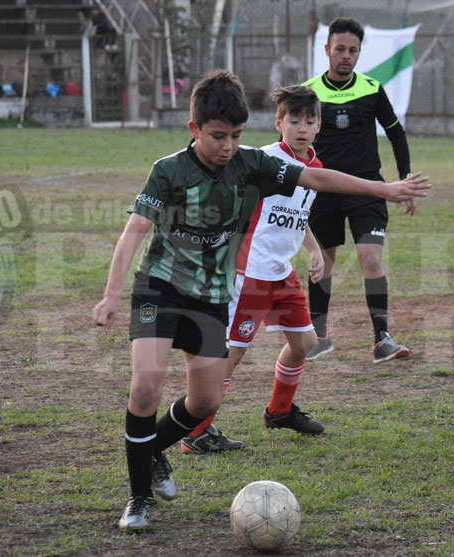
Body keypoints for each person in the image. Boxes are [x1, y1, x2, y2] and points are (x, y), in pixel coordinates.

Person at [91, 69, 428, 531]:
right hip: (160, 288)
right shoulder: (168, 170)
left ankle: (150, 450)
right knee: (146, 387)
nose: (227, 145)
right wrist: (112, 294)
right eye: (217, 136)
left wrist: (384, 189)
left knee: (204, 402)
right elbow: (134, 231)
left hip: (211, 296)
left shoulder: (251, 164)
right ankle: (138, 497)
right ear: (194, 130)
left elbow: (317, 178)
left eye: (235, 135)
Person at [179, 84, 332, 454]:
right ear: (279, 122)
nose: (301, 128)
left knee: (305, 343)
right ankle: (197, 430)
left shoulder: (315, 166)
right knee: (230, 353)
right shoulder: (262, 160)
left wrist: (314, 250)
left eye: (309, 122)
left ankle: (278, 411)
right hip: (248, 273)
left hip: (281, 273)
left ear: (318, 127)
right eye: (293, 120)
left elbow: (299, 217)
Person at [301, 17, 419, 364]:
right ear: (327, 50)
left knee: (370, 257)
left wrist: (405, 180)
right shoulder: (309, 94)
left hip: (368, 189)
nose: (346, 56)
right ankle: (318, 336)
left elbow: (396, 134)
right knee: (323, 261)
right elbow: (290, 143)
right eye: (340, 49)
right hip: (321, 191)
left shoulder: (371, 88)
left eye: (353, 50)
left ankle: (382, 338)